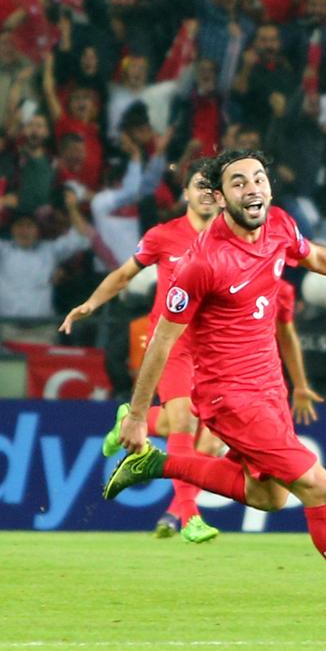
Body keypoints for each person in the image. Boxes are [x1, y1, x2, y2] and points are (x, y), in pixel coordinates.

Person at [100, 149, 326, 635]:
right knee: (318, 485)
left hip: (268, 386)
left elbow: (314, 256)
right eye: (238, 182)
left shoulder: (278, 225)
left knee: (269, 496)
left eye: (258, 178)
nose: (251, 187)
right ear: (219, 196)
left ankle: (157, 464)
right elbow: (162, 341)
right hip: (228, 396)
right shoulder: (202, 262)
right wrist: (136, 415)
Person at [60, 162, 224, 542]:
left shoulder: (228, 239)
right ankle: (189, 516)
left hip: (211, 347)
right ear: (185, 192)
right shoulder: (164, 236)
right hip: (171, 344)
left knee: (211, 438)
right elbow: (123, 275)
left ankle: (133, 423)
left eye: (212, 188)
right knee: (181, 420)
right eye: (199, 185)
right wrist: (90, 304)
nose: (206, 193)